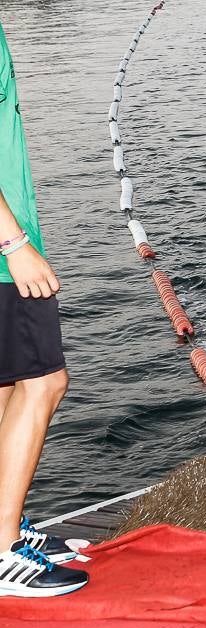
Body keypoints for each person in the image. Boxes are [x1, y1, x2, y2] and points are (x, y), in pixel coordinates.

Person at [0, 20, 88, 596]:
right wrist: (13, 242)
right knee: (44, 382)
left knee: (6, 388)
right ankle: (2, 549)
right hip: (4, 254)